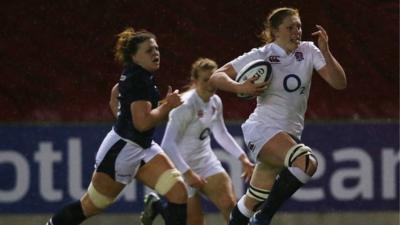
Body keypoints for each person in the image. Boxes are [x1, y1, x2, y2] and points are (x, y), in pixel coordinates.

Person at [208, 7, 346, 225]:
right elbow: (216, 77)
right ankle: (263, 219)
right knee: (307, 162)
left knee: (252, 200)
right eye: (290, 27)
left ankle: (249, 218)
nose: (297, 31)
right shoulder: (262, 55)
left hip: (287, 135)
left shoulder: (309, 50)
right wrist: (239, 86)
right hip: (262, 130)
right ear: (274, 32)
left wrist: (326, 52)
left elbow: (339, 83)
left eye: (299, 26)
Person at [45, 27, 188, 225]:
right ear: (134, 57)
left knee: (178, 193)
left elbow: (115, 99)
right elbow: (142, 123)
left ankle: (155, 207)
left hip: (142, 147)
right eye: (149, 50)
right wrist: (168, 107)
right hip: (121, 152)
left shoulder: (136, 74)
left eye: (156, 49)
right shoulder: (139, 80)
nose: (155, 53)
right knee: (90, 206)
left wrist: (126, 120)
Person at [139, 58, 254, 225]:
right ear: (195, 81)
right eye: (205, 80)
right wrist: (188, 173)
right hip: (181, 167)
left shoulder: (215, 101)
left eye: (213, 79)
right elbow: (167, 145)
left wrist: (243, 158)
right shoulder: (185, 105)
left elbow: (220, 133)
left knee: (230, 206)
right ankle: (157, 205)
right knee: (195, 222)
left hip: (206, 162)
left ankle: (158, 206)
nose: (211, 84)